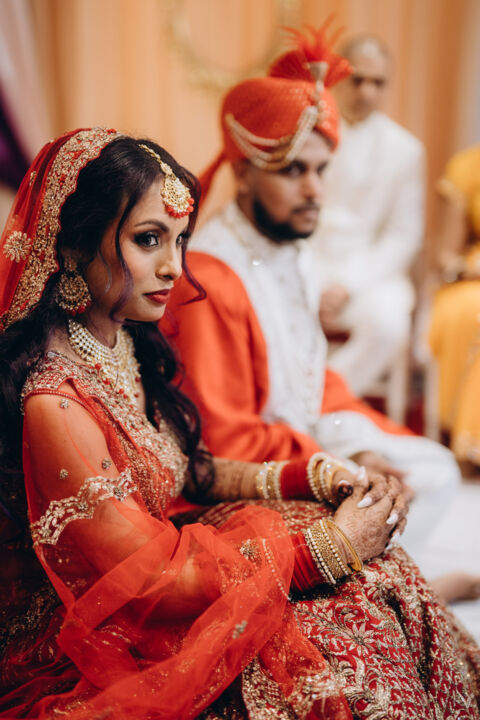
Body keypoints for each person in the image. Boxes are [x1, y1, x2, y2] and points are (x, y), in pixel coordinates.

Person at [0, 129, 478, 719]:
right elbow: (150, 586)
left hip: (166, 566)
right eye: (148, 239)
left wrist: (314, 476)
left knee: (376, 574)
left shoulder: (117, 338)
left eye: (180, 240)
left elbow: (190, 472)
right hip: (108, 631)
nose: (173, 267)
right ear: (74, 247)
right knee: (341, 631)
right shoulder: (55, 402)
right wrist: (328, 549)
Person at [162, 26, 463, 571]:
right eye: (293, 171)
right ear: (244, 174)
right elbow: (226, 442)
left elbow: (309, 376)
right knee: (373, 495)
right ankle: (393, 579)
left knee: (435, 470)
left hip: (303, 432)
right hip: (246, 473)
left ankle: (395, 574)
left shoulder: (292, 251)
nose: (315, 191)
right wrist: (337, 462)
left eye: (322, 170)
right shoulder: (210, 279)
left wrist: (360, 442)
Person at [310, 35, 425, 396]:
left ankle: (325, 393)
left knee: (389, 324)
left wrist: (348, 283)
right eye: (358, 80)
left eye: (378, 82)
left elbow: (404, 234)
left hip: (370, 270)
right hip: (309, 258)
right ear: (337, 78)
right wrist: (314, 278)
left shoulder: (406, 150)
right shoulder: (306, 135)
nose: (367, 92)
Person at [428, 145, 480, 471]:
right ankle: (468, 442)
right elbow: (445, 256)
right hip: (473, 279)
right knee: (472, 307)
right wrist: (467, 268)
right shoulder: (469, 166)